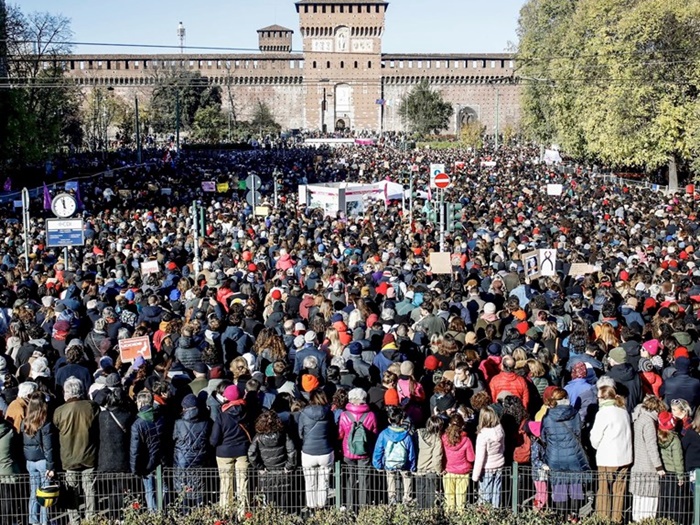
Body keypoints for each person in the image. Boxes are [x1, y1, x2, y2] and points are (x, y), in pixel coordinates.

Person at [53, 377, 99, 525]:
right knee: (89, 490)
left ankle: (74, 520)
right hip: (88, 455)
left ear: (66, 392)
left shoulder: (59, 411)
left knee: (71, 491)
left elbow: (56, 427)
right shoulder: (91, 407)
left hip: (68, 457)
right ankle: (91, 519)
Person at [541, 388, 590, 517]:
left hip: (555, 456)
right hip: (574, 455)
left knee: (559, 486)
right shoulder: (575, 414)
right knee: (576, 485)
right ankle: (574, 514)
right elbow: (579, 433)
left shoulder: (547, 417)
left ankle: (562, 515)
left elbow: (543, 437)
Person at [590, 385, 632, 523]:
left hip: (607, 458)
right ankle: (617, 520)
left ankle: (603, 520)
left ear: (603, 398)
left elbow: (595, 439)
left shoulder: (603, 413)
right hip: (625, 457)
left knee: (604, 491)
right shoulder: (623, 411)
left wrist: (596, 446)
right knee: (619, 492)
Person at [211, 384, 250, 511]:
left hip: (224, 452)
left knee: (226, 483)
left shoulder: (222, 416)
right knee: (242, 483)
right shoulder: (247, 412)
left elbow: (214, 439)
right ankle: (243, 514)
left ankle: (225, 513)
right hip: (243, 451)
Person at [337, 387, 378, 512]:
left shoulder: (344, 415)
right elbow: (374, 432)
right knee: (364, 480)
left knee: (350, 479)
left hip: (348, 452)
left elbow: (340, 434)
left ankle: (350, 508)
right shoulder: (371, 415)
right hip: (364, 452)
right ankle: (364, 509)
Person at [247, 410, 296, 509]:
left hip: (267, 473)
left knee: (269, 500)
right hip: (283, 471)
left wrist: (260, 468)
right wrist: (289, 466)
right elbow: (292, 451)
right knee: (284, 500)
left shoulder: (258, 438)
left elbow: (251, 454)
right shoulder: (283, 435)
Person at [97, 387, 133, 519]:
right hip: (122, 459)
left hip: (105, 459)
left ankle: (112, 515)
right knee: (120, 490)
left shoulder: (102, 416)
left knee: (111, 491)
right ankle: (120, 517)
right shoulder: (128, 416)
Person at [629, 395, 667, 521]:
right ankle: (647, 521)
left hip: (637, 463)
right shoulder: (649, 423)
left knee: (638, 499)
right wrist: (659, 467)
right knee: (649, 500)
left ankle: (636, 520)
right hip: (648, 467)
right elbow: (652, 446)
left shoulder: (638, 418)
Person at [298, 389, 335, 510]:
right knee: (324, 481)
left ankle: (311, 507)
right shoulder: (329, 412)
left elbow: (300, 433)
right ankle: (321, 506)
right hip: (326, 451)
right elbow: (332, 431)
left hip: (308, 452)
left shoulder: (303, 413)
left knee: (310, 482)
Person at [22, 392, 55, 525]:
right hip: (43, 461)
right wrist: (50, 467)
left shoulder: (25, 422)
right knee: (45, 494)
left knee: (33, 492)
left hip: (30, 462)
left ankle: (33, 521)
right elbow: (48, 447)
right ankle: (44, 521)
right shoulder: (44, 422)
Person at [372, 406, 416, 504]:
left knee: (390, 476)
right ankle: (407, 497)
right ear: (401, 421)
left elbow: (378, 450)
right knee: (407, 477)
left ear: (389, 420)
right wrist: (412, 467)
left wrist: (378, 465)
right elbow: (411, 453)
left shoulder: (383, 434)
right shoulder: (407, 435)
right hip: (404, 464)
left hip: (389, 463)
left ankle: (392, 497)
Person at [130, 390, 165, 512]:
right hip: (160, 460)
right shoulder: (161, 417)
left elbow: (135, 450)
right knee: (163, 488)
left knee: (149, 491)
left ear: (140, 403)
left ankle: (153, 515)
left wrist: (134, 469)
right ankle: (162, 510)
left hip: (146, 463)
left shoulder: (137, 424)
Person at [173, 394, 210, 509]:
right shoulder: (206, 423)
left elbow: (174, 437)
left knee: (182, 489)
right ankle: (200, 512)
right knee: (198, 488)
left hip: (182, 461)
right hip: (199, 460)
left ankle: (185, 516)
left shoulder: (178, 423)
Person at [472, 406, 505, 507]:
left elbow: (480, 458)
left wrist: (475, 476)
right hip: (499, 465)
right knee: (496, 492)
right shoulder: (501, 430)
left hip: (487, 468)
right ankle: (496, 514)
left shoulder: (482, 435)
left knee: (486, 494)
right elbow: (503, 447)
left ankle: (486, 515)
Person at [441, 413, 475, 510]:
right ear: (462, 425)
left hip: (448, 471)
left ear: (449, 424)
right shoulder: (466, 440)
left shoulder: (444, 438)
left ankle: (449, 518)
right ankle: (461, 517)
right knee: (461, 497)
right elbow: (471, 458)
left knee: (449, 497)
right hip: (463, 472)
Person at [657, 411, 686, 523]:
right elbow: (678, 460)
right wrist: (680, 476)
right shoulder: (675, 440)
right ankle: (673, 521)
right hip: (674, 474)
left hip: (664, 473)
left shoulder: (658, 438)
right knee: (674, 501)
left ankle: (663, 520)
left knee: (664, 499)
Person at [415, 415, 444, 509]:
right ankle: (429, 514)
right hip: (431, 471)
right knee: (430, 496)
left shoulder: (419, 434)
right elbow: (437, 458)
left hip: (420, 470)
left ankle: (420, 512)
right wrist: (439, 471)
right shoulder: (437, 440)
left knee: (420, 494)